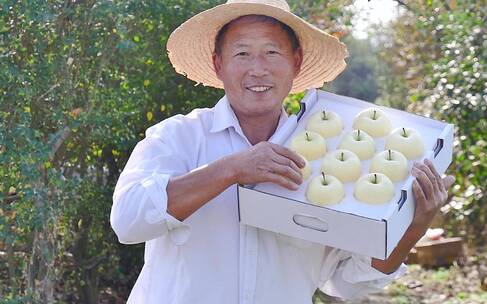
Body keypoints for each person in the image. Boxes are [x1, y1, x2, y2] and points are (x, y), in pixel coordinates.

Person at [110, 1, 455, 303]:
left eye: (272, 52)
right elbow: (128, 221)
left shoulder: (326, 161)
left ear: (296, 62)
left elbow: (344, 283)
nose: (257, 68)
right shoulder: (178, 137)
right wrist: (231, 169)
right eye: (242, 53)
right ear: (218, 64)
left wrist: (413, 226)